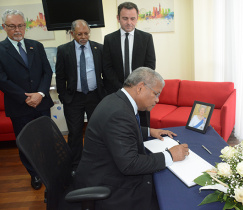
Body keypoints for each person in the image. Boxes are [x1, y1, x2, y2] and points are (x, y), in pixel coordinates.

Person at [74, 67, 189, 210]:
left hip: (103, 169)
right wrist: (170, 155)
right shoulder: (119, 113)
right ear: (140, 88)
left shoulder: (116, 100)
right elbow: (130, 164)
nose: (157, 100)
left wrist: (148, 131)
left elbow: (119, 131)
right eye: (156, 94)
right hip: (108, 183)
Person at [0, 9, 54, 190]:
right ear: (4, 27)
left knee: (46, 140)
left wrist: (40, 94)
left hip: (41, 103)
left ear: (25, 26)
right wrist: (26, 98)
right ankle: (34, 174)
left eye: (20, 25)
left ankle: (50, 170)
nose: (17, 29)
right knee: (26, 143)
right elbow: (1, 80)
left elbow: (47, 72)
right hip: (19, 106)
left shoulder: (36, 45)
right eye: (12, 26)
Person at [55, 19, 107, 171]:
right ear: (72, 34)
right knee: (75, 132)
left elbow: (106, 73)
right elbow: (60, 76)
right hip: (74, 98)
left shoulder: (99, 48)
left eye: (86, 33)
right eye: (79, 34)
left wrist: (106, 94)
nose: (83, 37)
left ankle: (97, 160)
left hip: (95, 97)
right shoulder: (64, 50)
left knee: (97, 131)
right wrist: (63, 96)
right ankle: (75, 165)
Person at [103, 1, 156, 127]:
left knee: (142, 127)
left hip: (141, 91)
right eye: (125, 18)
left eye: (132, 18)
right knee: (119, 126)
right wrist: (123, 88)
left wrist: (137, 87)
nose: (129, 22)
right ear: (118, 18)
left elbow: (150, 66)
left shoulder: (146, 38)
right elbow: (107, 67)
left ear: (137, 18)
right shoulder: (109, 39)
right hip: (117, 91)